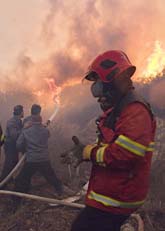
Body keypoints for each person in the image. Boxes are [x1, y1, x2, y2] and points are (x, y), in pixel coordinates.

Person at [71, 50, 156, 231]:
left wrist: (89, 152)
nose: (97, 96)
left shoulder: (135, 112)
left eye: (98, 88)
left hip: (118, 198)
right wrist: (87, 150)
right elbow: (113, 145)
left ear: (114, 80)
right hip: (112, 194)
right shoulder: (120, 110)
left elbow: (125, 153)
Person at [12, 113, 63, 207]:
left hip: (31, 160)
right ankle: (60, 191)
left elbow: (18, 145)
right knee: (51, 176)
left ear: (31, 121)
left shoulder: (26, 131)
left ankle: (16, 201)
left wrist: (25, 149)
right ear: (40, 121)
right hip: (44, 159)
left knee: (21, 179)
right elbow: (47, 135)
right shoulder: (45, 130)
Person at [0, 105, 24, 182]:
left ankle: (9, 179)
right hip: (10, 145)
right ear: (20, 112)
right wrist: (25, 129)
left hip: (14, 145)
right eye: (22, 111)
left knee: (14, 162)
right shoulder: (12, 122)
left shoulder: (19, 121)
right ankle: (2, 182)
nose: (24, 112)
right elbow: (14, 135)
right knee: (9, 164)